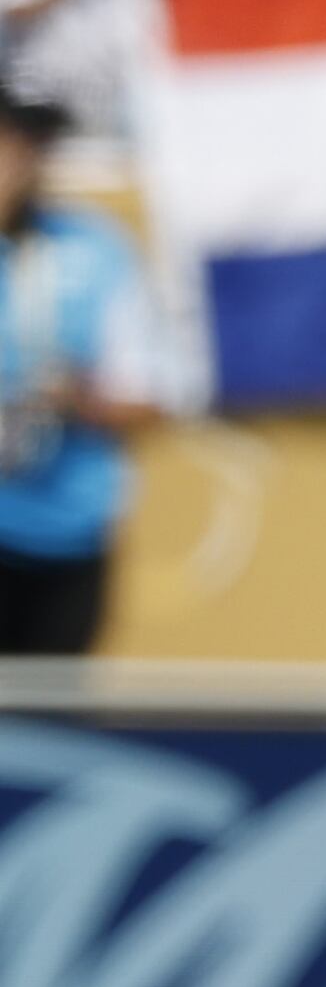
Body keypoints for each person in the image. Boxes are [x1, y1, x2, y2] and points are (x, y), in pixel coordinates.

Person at [0, 83, 157, 654]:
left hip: (66, 534)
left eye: (27, 143)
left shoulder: (95, 250)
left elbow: (145, 395)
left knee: (48, 700)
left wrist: (73, 399)